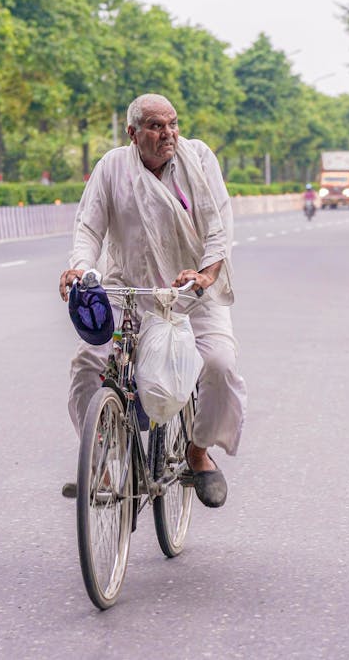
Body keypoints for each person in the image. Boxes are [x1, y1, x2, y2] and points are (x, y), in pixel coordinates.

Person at [59, 93, 247, 508]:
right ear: (133, 133)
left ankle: (198, 452)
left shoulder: (198, 160)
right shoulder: (111, 167)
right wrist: (78, 267)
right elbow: (88, 229)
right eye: (156, 126)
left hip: (193, 291)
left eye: (173, 124)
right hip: (130, 289)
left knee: (220, 365)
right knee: (87, 364)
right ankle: (102, 464)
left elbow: (219, 223)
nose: (168, 134)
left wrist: (206, 273)